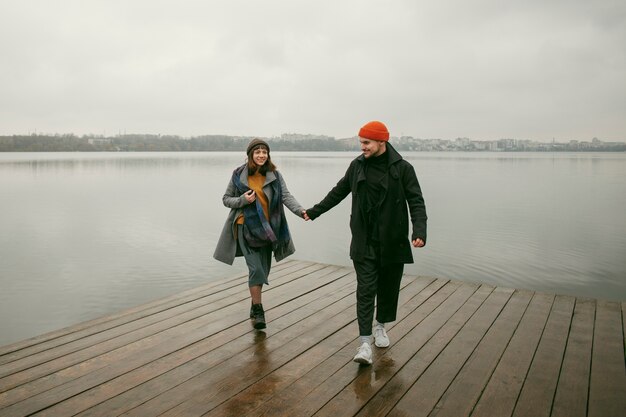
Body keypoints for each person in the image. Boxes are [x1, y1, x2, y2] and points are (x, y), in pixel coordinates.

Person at [303, 120, 427, 365]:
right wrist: (314, 211)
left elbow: (416, 201)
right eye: (361, 142)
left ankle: (381, 326)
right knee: (366, 290)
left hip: (392, 240)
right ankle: (364, 343)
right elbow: (339, 191)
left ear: (382, 141)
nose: (362, 147)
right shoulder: (357, 166)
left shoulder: (403, 169)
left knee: (388, 288)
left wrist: (419, 230)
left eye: (366, 142)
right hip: (364, 240)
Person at [214, 138, 306, 330]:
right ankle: (258, 310)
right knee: (256, 269)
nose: (261, 155)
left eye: (264, 152)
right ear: (250, 155)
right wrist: (242, 200)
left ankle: (254, 304)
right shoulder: (238, 175)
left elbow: (286, 197)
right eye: (258, 152)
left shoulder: (275, 175)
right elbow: (226, 199)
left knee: (263, 271)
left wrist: (301, 211)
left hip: (270, 229)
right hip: (245, 227)